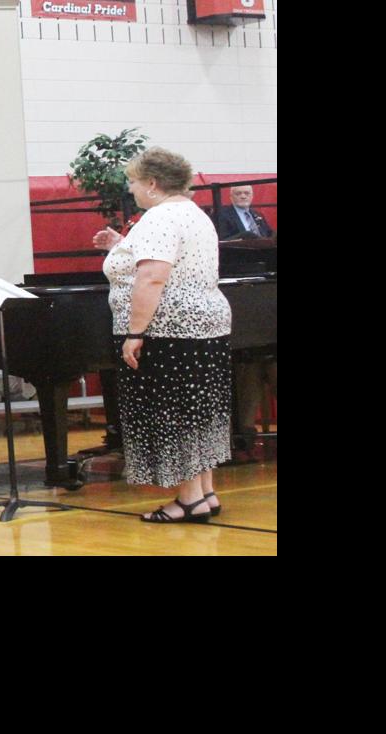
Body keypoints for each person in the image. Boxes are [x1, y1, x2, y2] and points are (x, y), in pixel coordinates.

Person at [89, 148, 232, 523]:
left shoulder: (159, 217)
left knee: (173, 411)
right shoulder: (191, 212)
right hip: (204, 325)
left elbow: (152, 276)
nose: (132, 189)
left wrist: (135, 331)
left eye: (134, 181)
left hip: (168, 330)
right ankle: (204, 492)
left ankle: (187, 500)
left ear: (152, 184)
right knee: (199, 410)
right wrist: (119, 248)